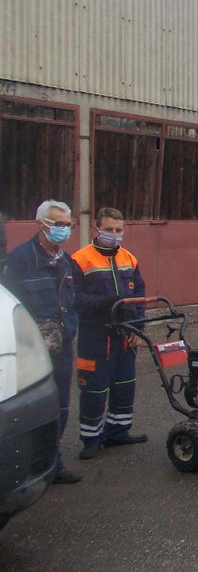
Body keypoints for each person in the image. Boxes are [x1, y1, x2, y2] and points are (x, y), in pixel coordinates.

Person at [2, 200, 81, 483]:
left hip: (61, 347)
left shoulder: (65, 260)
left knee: (59, 404)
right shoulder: (20, 260)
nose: (64, 230)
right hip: (32, 352)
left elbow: (74, 300)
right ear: (40, 224)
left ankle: (53, 463)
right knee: (31, 407)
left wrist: (71, 326)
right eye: (57, 224)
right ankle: (24, 468)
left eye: (67, 225)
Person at [71, 207, 147, 460]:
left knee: (124, 385)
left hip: (125, 336)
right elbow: (76, 299)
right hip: (96, 336)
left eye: (119, 230)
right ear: (97, 229)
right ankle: (91, 438)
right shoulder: (81, 259)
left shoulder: (129, 258)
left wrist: (138, 327)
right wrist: (105, 302)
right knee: (94, 388)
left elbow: (139, 297)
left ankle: (118, 431)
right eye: (109, 230)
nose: (115, 234)